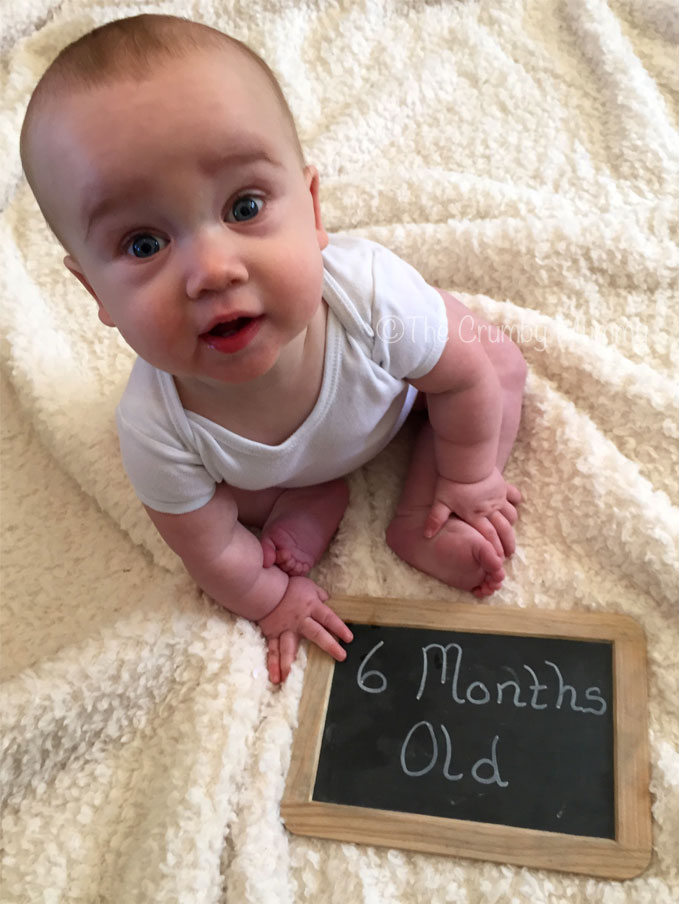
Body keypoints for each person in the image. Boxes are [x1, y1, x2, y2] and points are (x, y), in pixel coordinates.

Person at [19, 14, 527, 684]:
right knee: (228, 509)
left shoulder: (372, 298)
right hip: (270, 476)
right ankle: (308, 504)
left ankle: (421, 516)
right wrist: (273, 598)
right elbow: (209, 550)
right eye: (143, 244)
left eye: (244, 206)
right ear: (96, 296)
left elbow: (460, 384)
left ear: (313, 212)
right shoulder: (156, 426)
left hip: (398, 399)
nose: (213, 270)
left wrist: (469, 476)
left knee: (493, 364)